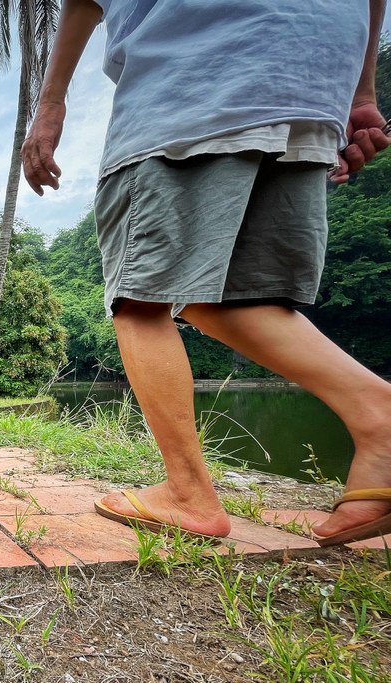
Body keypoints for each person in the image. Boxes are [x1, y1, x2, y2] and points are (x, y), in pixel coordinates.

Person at [22, 0, 391, 545]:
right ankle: (379, 417)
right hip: (312, 79)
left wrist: (50, 102)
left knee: (139, 297)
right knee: (233, 296)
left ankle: (187, 492)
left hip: (198, 79)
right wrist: (361, 90)